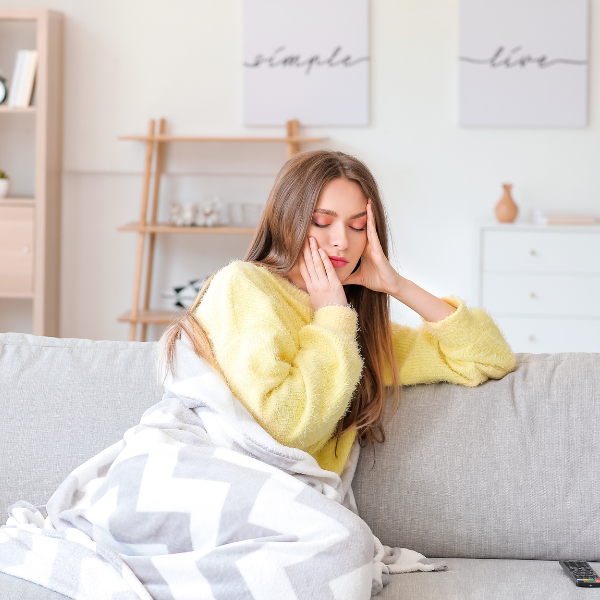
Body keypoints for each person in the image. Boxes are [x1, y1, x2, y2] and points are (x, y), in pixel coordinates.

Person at [159, 149, 516, 476]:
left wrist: (399, 286)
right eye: (322, 221)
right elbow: (284, 427)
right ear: (288, 221)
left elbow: (488, 358)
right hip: (218, 481)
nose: (341, 241)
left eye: (358, 226)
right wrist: (332, 316)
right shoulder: (244, 286)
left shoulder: (350, 326)